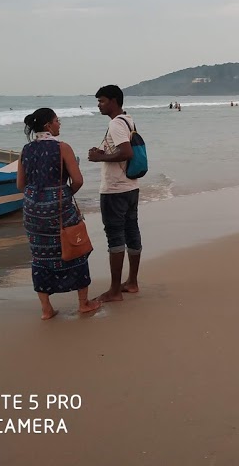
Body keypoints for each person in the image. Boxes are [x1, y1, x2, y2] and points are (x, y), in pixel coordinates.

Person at [18, 108, 101, 319]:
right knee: (76, 247)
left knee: (40, 255)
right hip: (59, 209)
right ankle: (84, 304)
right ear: (48, 125)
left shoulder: (25, 150)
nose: (59, 124)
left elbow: (20, 185)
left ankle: (46, 309)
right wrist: (62, 195)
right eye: (57, 121)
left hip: (32, 210)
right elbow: (78, 180)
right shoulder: (62, 148)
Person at [88, 85, 142, 302]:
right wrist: (103, 152)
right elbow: (123, 149)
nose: (99, 105)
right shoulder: (128, 120)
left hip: (115, 189)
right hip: (131, 186)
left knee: (115, 237)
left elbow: (126, 152)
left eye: (101, 101)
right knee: (132, 233)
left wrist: (99, 158)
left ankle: (114, 291)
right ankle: (132, 282)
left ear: (112, 101)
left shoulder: (115, 123)